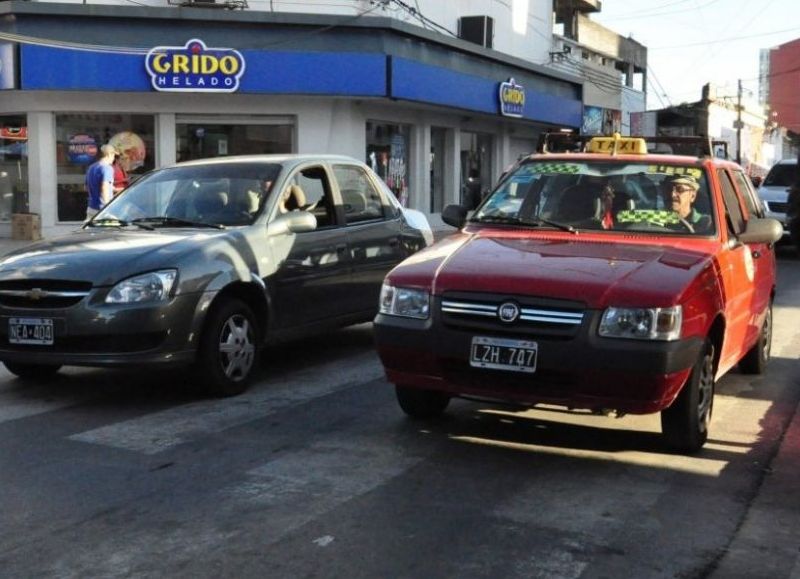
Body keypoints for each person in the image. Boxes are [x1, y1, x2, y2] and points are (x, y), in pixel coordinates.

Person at [84, 144, 116, 221]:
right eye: (114, 155)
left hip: (91, 208)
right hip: (102, 210)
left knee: (91, 232)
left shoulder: (91, 167)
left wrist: (118, 189)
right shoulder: (107, 168)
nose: (114, 158)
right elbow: (104, 187)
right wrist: (107, 207)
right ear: (109, 154)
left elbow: (86, 187)